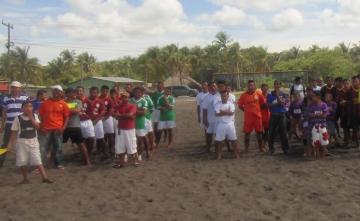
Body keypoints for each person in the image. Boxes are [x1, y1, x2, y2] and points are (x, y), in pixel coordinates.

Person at [8, 101, 52, 184]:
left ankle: (44, 177)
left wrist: (30, 117)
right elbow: (14, 132)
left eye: (30, 106)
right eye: (26, 106)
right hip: (21, 142)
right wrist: (10, 144)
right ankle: (25, 178)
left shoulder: (35, 116)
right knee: (22, 161)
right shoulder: (17, 118)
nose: (28, 108)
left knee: (38, 159)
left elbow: (37, 126)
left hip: (33, 141)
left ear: (32, 108)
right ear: (22, 108)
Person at [38, 85, 69, 169]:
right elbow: (40, 115)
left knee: (58, 147)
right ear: (52, 92)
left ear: (61, 93)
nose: (56, 93)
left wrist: (63, 128)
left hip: (58, 129)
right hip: (46, 129)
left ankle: (58, 164)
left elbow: (66, 117)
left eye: (58, 91)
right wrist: (41, 127)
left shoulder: (63, 104)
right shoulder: (45, 103)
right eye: (55, 91)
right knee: (43, 148)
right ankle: (41, 166)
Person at [0, 81, 28, 167]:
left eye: (16, 87)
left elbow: (28, 111)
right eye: (13, 87)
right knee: (5, 143)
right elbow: (4, 113)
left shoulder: (25, 98)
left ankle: (24, 162)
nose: (14, 89)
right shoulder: (6, 99)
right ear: (10, 89)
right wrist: (2, 126)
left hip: (21, 124)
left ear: (20, 88)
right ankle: (1, 161)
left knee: (24, 142)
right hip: (9, 124)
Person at [63, 88, 91, 166]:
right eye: (72, 92)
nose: (74, 94)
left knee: (81, 144)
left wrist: (65, 110)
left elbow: (77, 110)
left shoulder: (77, 101)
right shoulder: (62, 102)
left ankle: (87, 161)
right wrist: (70, 110)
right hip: (64, 126)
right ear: (67, 94)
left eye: (74, 93)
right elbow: (72, 111)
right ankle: (54, 161)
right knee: (57, 144)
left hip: (75, 126)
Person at [238, 80, 265, 153]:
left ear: (254, 86)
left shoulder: (258, 94)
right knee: (247, 134)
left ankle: (260, 148)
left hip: (257, 117)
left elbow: (263, 103)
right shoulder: (243, 95)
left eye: (252, 85)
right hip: (248, 118)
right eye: (249, 85)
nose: (251, 87)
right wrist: (246, 111)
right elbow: (240, 106)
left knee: (259, 133)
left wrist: (258, 111)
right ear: (247, 86)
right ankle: (246, 149)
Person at [113, 92, 139, 168]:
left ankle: (135, 161)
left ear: (129, 98)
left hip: (129, 129)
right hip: (120, 128)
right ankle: (122, 162)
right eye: (124, 97)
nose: (125, 99)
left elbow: (130, 115)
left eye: (127, 97)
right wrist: (124, 116)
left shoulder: (132, 106)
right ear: (121, 98)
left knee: (132, 145)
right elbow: (114, 114)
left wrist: (120, 116)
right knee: (120, 146)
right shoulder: (118, 106)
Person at [214, 90, 240, 160]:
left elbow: (231, 113)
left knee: (234, 140)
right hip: (221, 124)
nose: (224, 97)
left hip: (230, 124)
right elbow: (216, 114)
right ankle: (219, 155)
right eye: (222, 96)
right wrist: (227, 112)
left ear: (227, 96)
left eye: (225, 96)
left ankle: (236, 154)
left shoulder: (231, 104)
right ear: (220, 97)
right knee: (219, 141)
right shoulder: (217, 104)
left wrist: (222, 112)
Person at [267, 80, 290, 155]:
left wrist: (277, 96)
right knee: (271, 133)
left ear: (280, 85)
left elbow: (283, 104)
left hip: (282, 115)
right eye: (275, 84)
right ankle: (271, 149)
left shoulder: (284, 94)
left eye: (278, 84)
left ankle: (286, 148)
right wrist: (278, 102)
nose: (276, 85)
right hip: (273, 115)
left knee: (283, 132)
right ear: (274, 85)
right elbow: (269, 105)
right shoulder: (270, 94)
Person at [84, 87, 107, 159]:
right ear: (90, 92)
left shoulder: (100, 101)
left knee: (101, 137)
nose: (93, 94)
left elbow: (102, 112)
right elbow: (83, 111)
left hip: (97, 121)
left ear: (97, 93)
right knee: (88, 138)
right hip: (88, 121)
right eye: (92, 92)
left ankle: (105, 153)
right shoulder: (86, 100)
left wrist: (96, 120)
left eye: (95, 93)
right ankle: (88, 154)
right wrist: (89, 120)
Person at [306, 91, 329, 159]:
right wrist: (318, 115)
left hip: (322, 125)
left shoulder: (324, 105)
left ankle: (323, 155)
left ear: (318, 97)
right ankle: (317, 155)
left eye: (313, 96)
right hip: (313, 126)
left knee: (324, 140)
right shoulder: (310, 105)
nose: (312, 97)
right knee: (315, 140)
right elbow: (308, 115)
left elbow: (325, 115)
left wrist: (315, 115)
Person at [130, 87, 150, 159]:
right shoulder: (130, 100)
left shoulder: (144, 101)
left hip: (140, 122)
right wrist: (139, 110)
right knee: (133, 139)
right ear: (133, 93)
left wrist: (133, 111)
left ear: (141, 93)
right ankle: (135, 153)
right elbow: (128, 112)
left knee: (141, 139)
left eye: (139, 92)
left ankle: (141, 154)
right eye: (135, 92)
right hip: (131, 122)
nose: (137, 94)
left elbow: (143, 113)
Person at [345, 76, 360, 148]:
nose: (354, 83)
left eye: (356, 81)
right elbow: (346, 101)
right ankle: (357, 144)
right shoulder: (349, 91)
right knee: (355, 128)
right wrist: (350, 101)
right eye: (353, 81)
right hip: (353, 112)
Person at [100, 85, 115, 157]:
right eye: (103, 91)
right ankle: (103, 150)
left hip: (108, 118)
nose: (105, 92)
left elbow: (111, 110)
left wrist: (105, 118)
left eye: (106, 91)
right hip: (99, 119)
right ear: (101, 91)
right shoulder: (98, 98)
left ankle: (111, 149)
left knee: (110, 134)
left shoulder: (109, 99)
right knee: (102, 135)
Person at [202, 82, 217, 152]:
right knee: (209, 135)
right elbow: (204, 109)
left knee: (218, 135)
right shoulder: (206, 97)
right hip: (210, 119)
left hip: (218, 120)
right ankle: (208, 149)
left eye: (214, 86)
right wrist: (205, 119)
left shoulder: (219, 96)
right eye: (211, 86)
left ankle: (217, 150)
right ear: (209, 88)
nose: (213, 87)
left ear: (216, 87)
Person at [151, 81, 165, 145]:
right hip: (155, 111)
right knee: (155, 127)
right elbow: (151, 102)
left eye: (160, 85)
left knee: (160, 127)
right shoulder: (154, 93)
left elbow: (170, 102)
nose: (158, 87)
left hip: (163, 112)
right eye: (158, 85)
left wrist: (164, 108)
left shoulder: (165, 93)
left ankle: (157, 141)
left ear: (163, 86)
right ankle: (156, 140)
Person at [142, 87, 156, 152]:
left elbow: (152, 107)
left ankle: (151, 145)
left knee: (149, 132)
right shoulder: (134, 98)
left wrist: (148, 115)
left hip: (147, 118)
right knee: (143, 133)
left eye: (142, 91)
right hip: (139, 118)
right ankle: (146, 145)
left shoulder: (147, 97)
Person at [260, 84, 270, 150]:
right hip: (260, 115)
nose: (264, 89)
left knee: (267, 131)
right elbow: (258, 106)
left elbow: (271, 105)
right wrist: (264, 105)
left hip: (268, 115)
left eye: (266, 88)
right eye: (263, 88)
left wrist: (267, 105)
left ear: (267, 89)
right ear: (261, 89)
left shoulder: (270, 96)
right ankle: (261, 144)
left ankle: (264, 144)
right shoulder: (259, 96)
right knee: (260, 131)